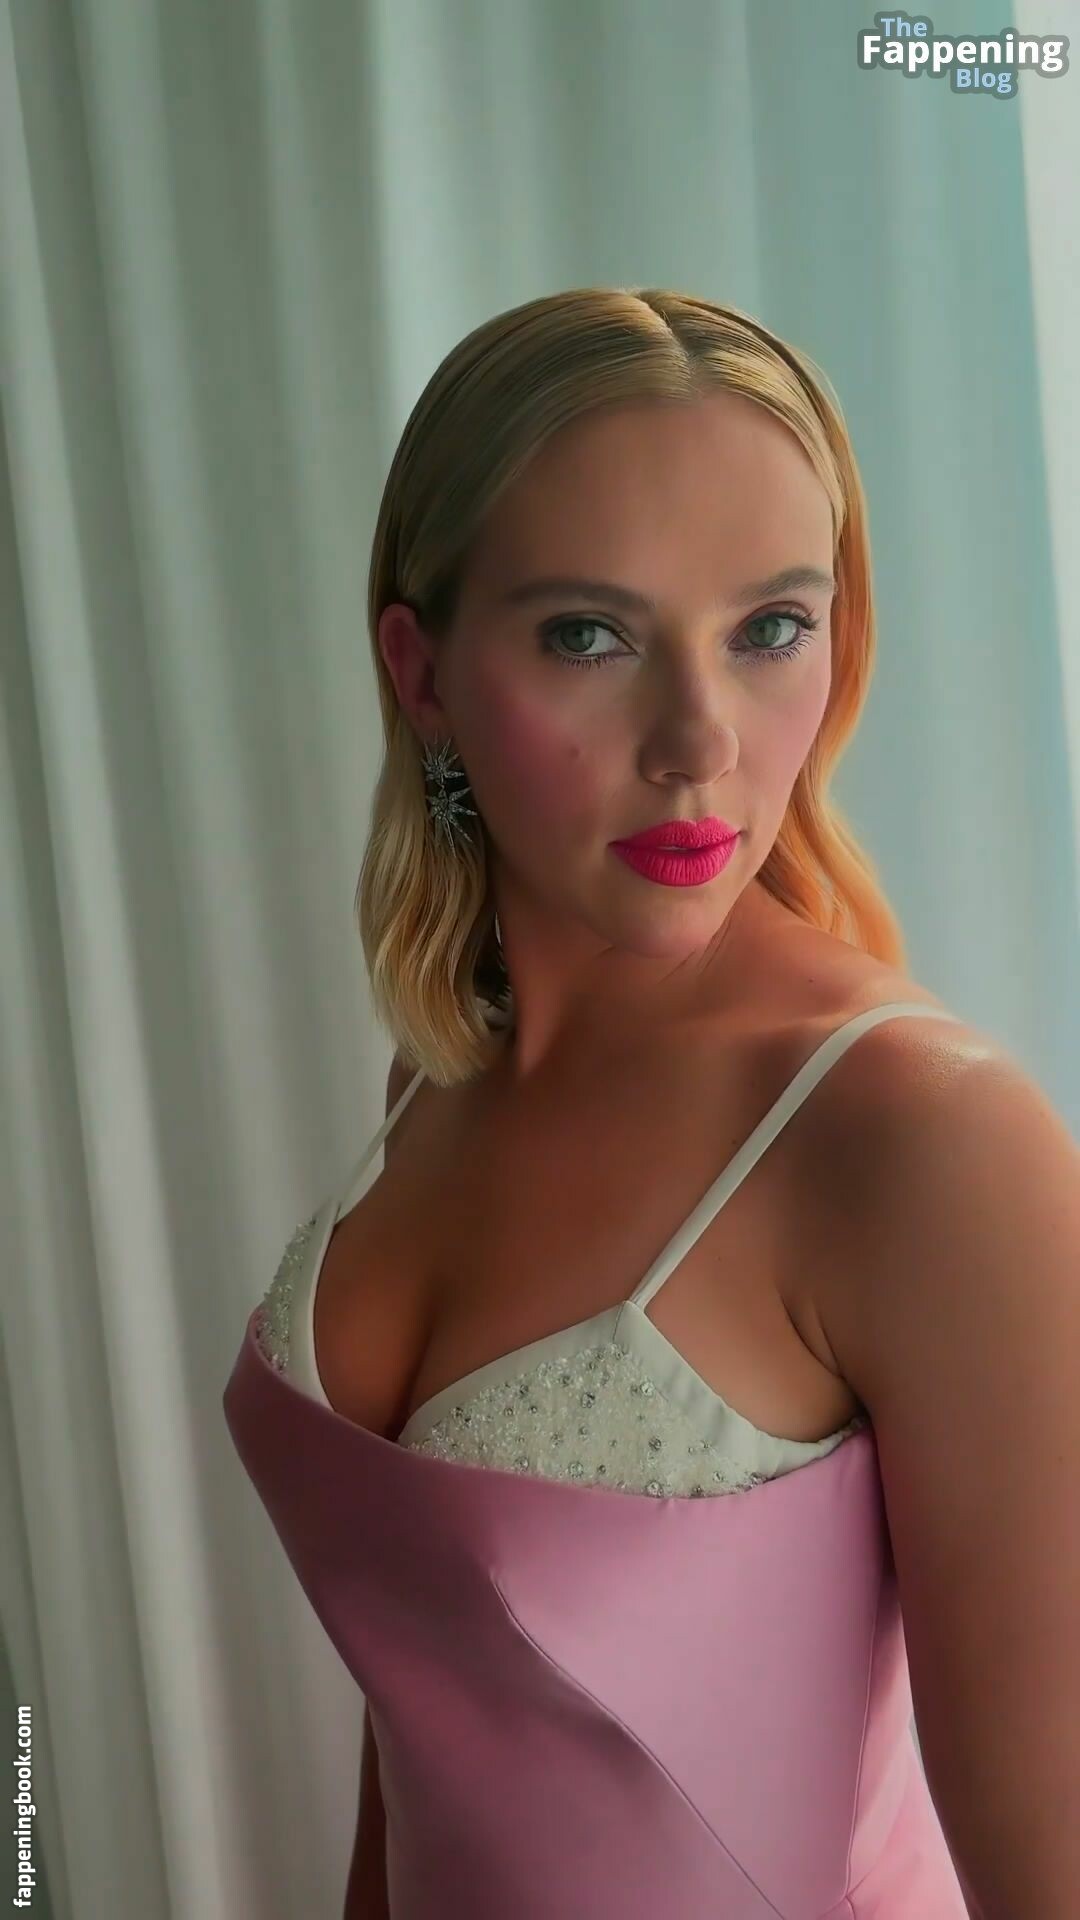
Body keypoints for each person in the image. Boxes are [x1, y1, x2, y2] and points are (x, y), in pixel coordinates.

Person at [223, 288, 1080, 1918]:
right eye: (589, 636)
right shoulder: (442, 1076)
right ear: (420, 671)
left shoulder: (921, 1146)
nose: (699, 745)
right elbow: (423, 1720)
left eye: (771, 628)